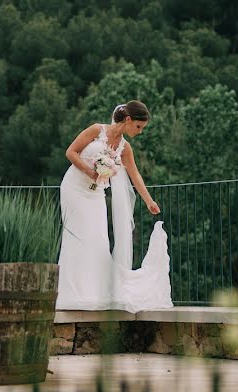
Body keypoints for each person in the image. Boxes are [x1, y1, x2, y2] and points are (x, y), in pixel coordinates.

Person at [55, 100, 173, 312]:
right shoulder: (96, 130)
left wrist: (149, 200)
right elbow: (70, 152)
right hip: (74, 188)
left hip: (95, 194)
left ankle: (93, 292)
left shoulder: (124, 148)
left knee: (99, 239)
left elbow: (135, 175)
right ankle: (71, 293)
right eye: (138, 127)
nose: (139, 132)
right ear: (128, 120)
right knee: (77, 237)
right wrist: (88, 170)